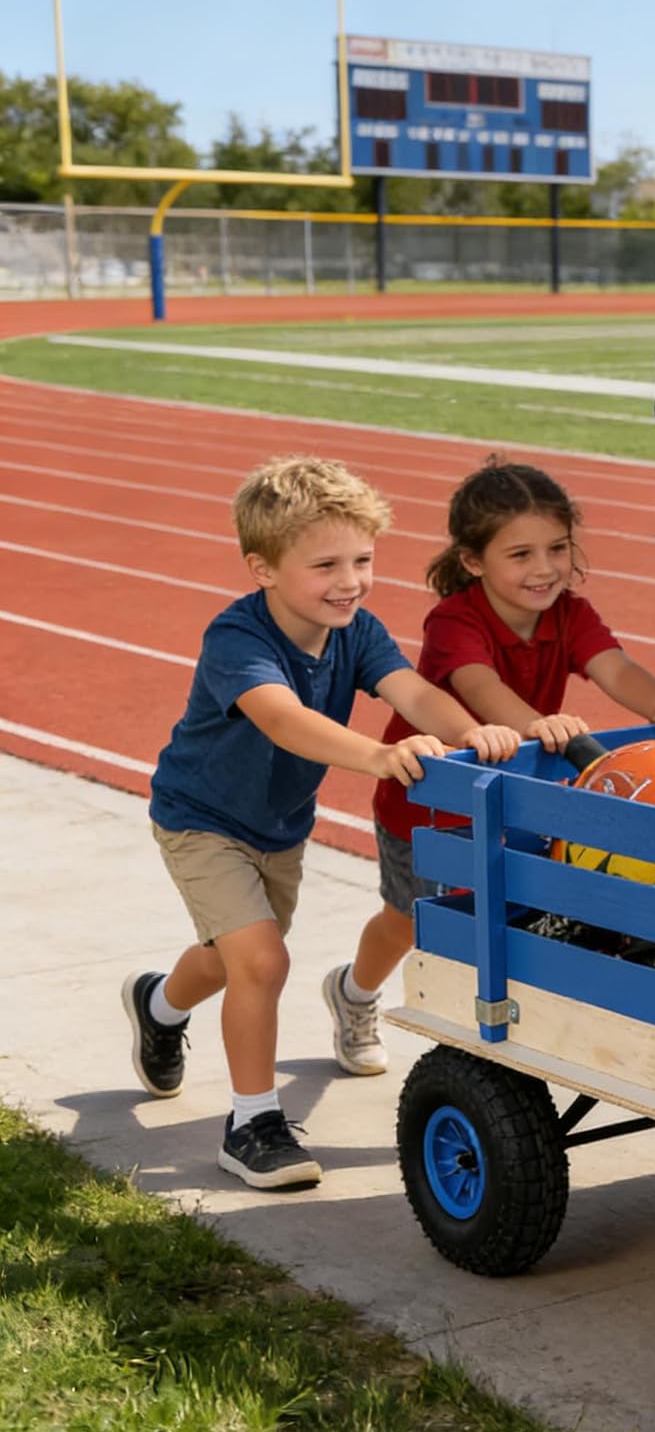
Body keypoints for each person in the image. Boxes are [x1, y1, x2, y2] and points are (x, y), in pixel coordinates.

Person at [122, 456, 518, 1190]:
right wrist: (378, 753)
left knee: (228, 959)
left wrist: (470, 734)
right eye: (325, 564)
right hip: (201, 818)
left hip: (278, 827)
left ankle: (156, 1004)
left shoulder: (357, 631)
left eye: (363, 560)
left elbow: (415, 691)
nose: (350, 580)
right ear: (262, 569)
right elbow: (283, 720)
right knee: (263, 963)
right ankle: (253, 1123)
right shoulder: (236, 639)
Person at [332, 457, 655, 1027]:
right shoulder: (455, 620)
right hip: (427, 807)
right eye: (520, 555)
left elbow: (615, 668)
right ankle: (356, 994)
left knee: (517, 908)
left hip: (515, 800)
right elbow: (478, 686)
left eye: (557, 549)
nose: (545, 569)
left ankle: (513, 1012)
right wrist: (537, 722)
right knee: (411, 918)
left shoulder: (571, 614)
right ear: (471, 560)